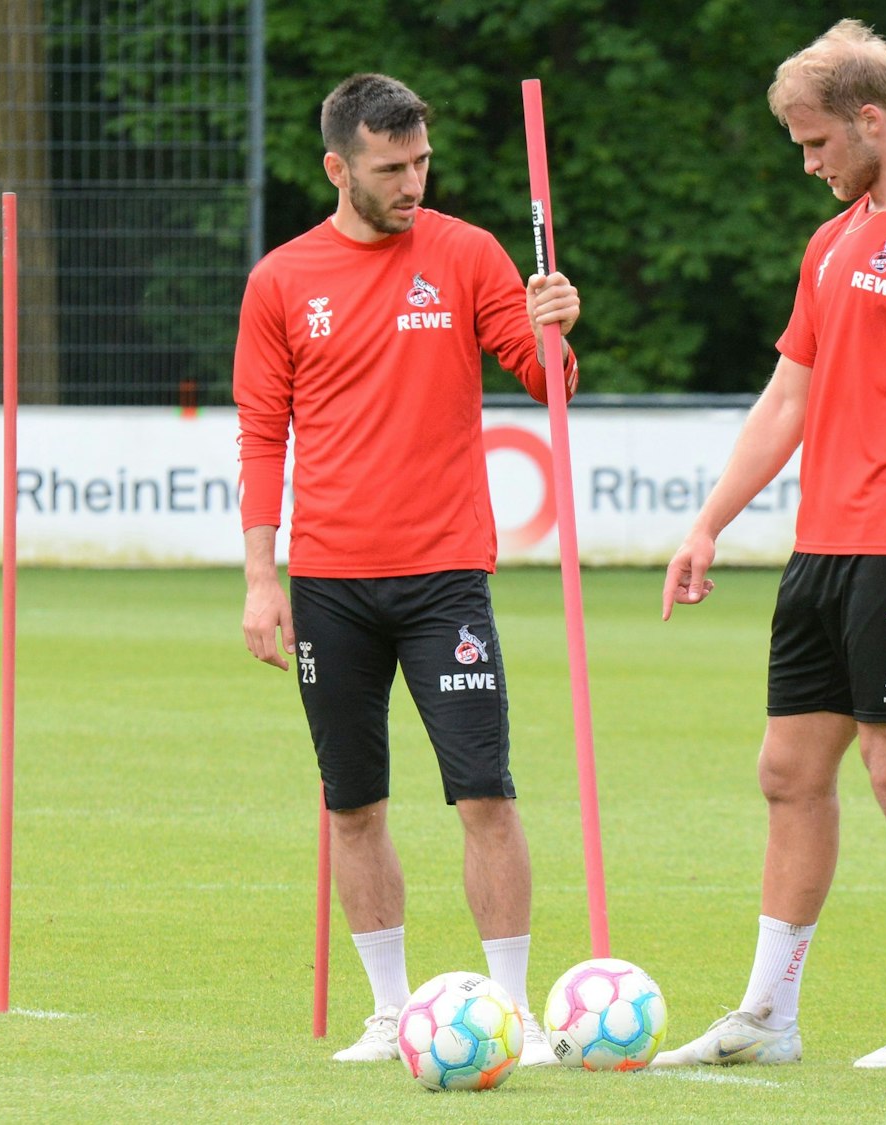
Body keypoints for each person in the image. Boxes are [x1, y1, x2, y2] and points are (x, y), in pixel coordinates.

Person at [651, 20, 886, 1070]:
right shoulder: (834, 240)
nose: (806, 163)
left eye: (814, 143)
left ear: (870, 118)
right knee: (785, 773)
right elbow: (787, 397)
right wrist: (709, 519)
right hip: (823, 550)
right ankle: (767, 1017)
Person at [233, 72, 580, 1066]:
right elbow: (263, 437)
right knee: (352, 805)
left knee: (484, 795)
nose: (412, 182)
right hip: (329, 583)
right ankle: (390, 1013)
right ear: (338, 167)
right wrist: (263, 580)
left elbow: (543, 376)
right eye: (391, 168)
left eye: (421, 161)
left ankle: (509, 1012)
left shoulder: (468, 254)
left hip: (443, 580)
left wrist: (556, 325)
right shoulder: (281, 280)